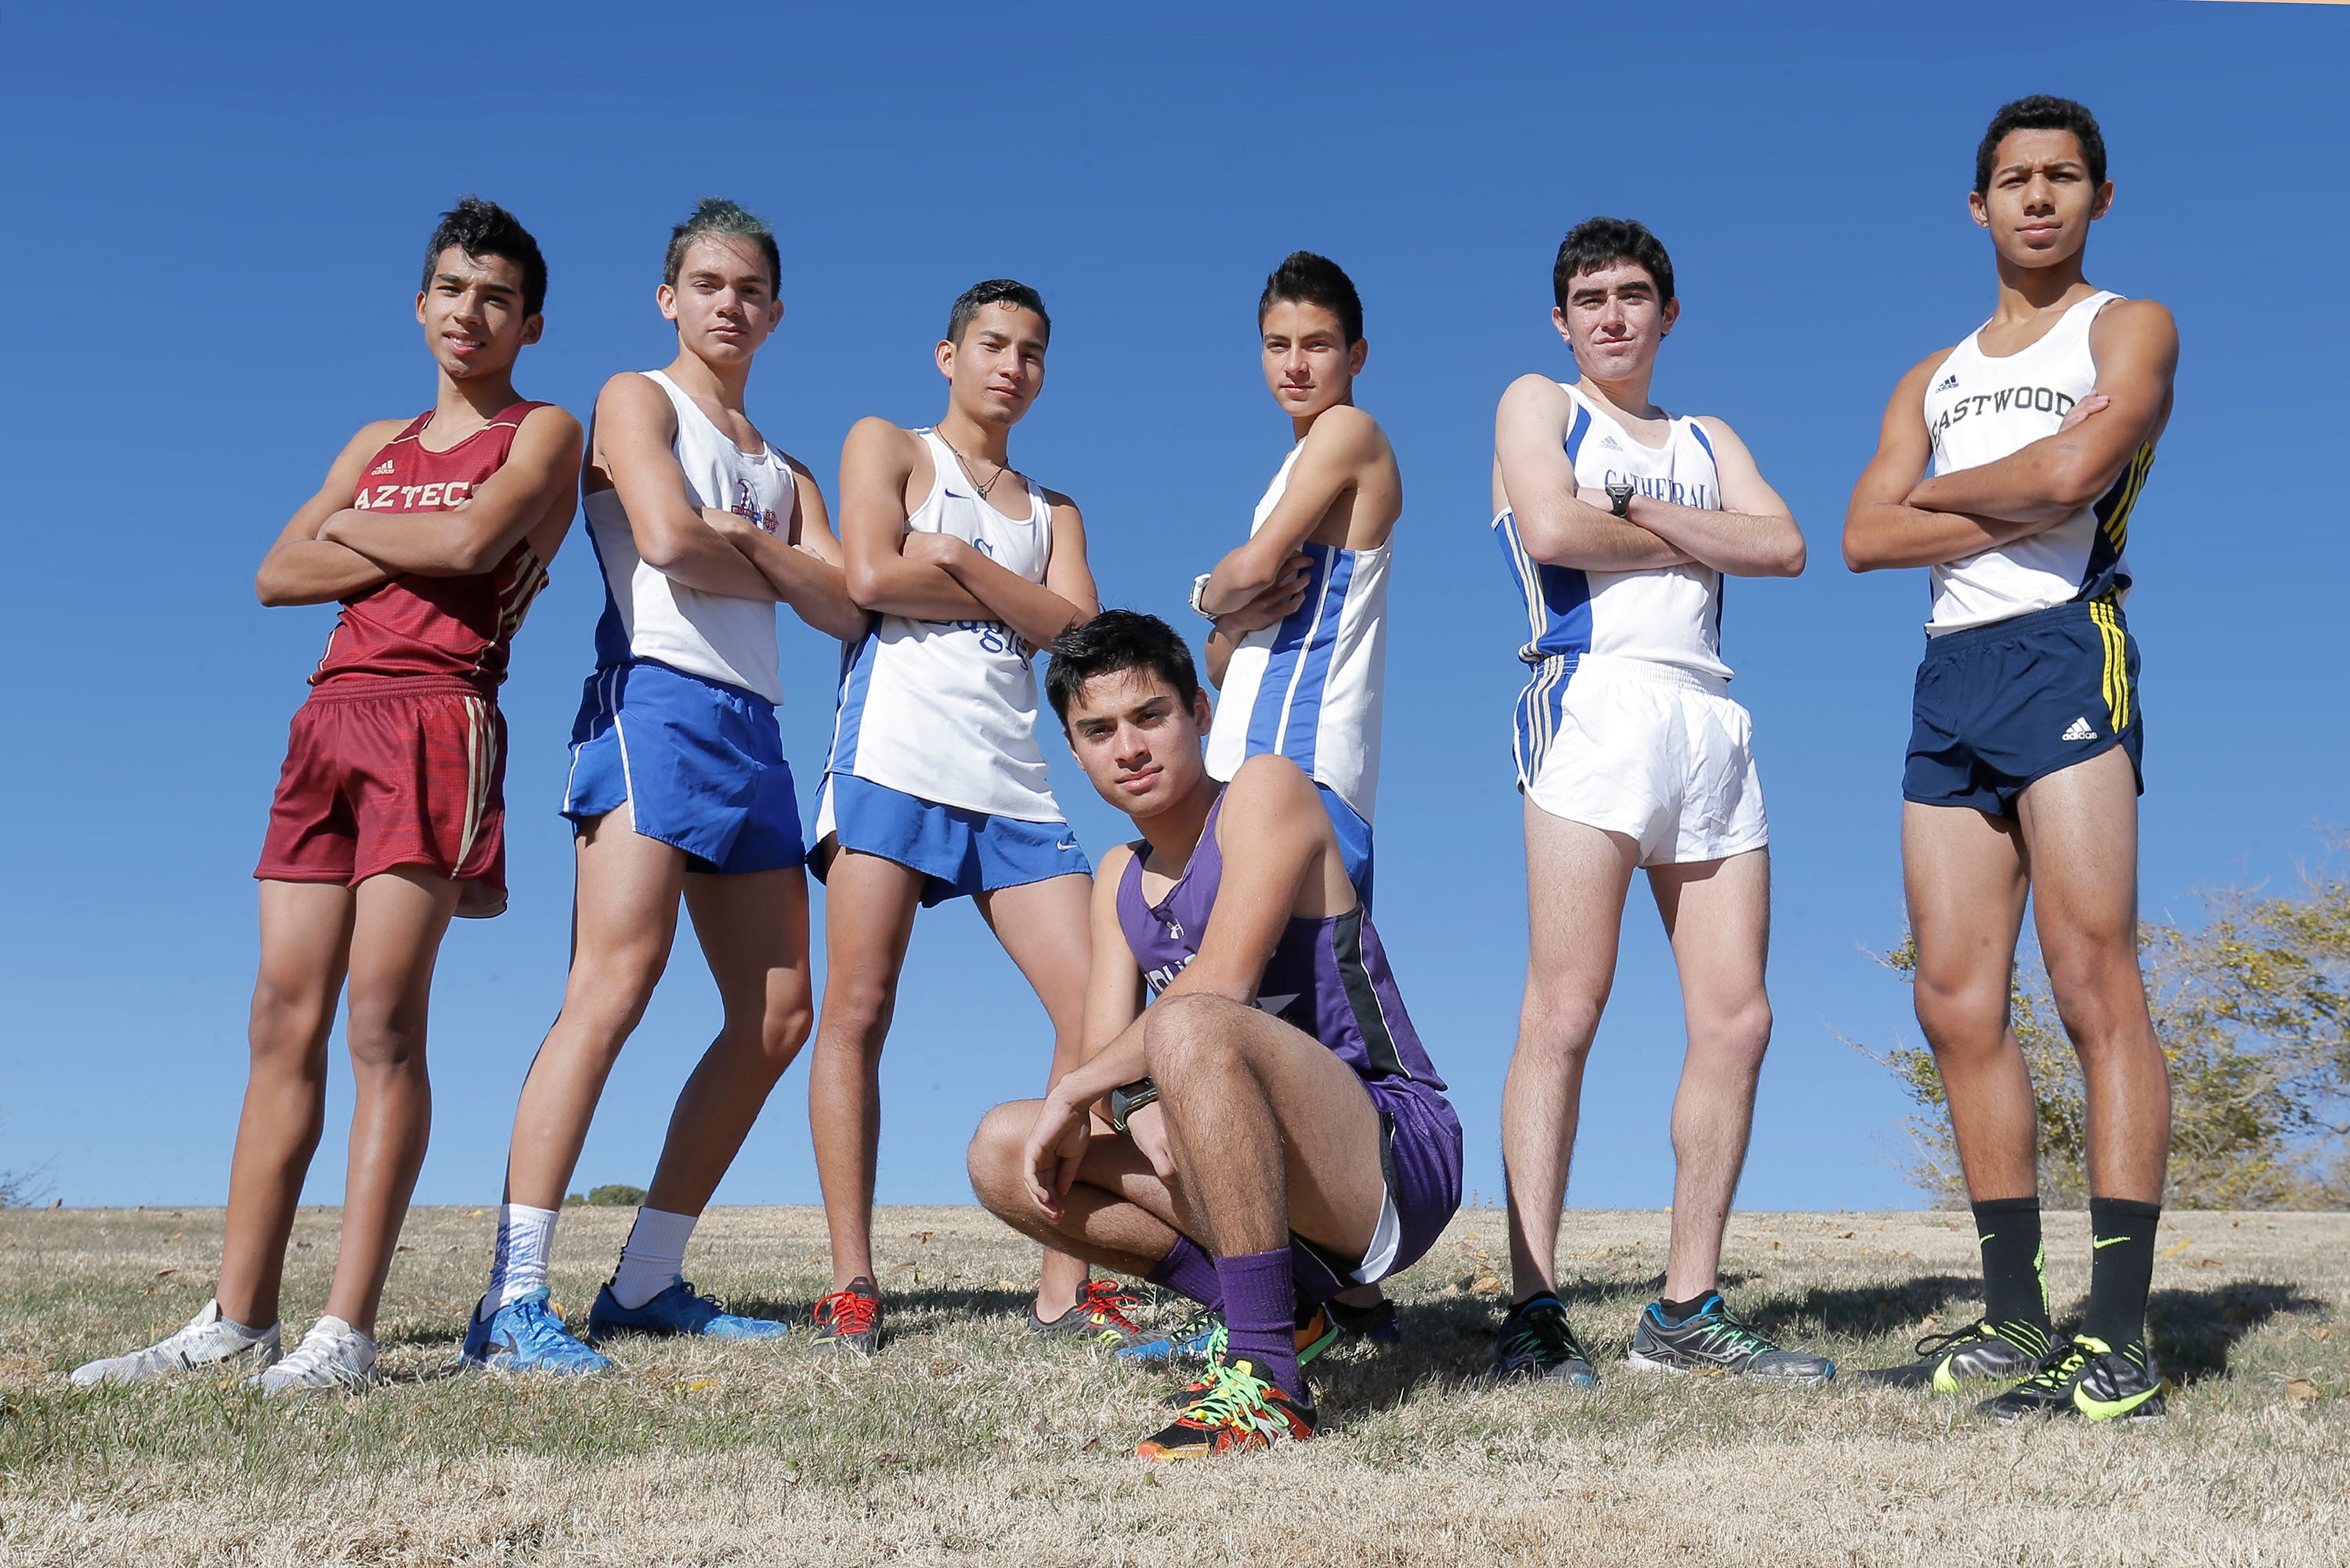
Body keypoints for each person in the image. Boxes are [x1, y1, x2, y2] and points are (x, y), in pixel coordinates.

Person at [73, 198, 580, 1394]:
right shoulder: (376, 439)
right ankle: (236, 1316)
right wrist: (397, 520)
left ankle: (344, 1331)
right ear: (421, 305)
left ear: (531, 321)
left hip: (436, 716)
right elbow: (273, 573)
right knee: (277, 1019)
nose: (471, 311)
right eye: (453, 289)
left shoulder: (544, 428)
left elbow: (472, 553)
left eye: (497, 297)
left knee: (380, 1022)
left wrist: (366, 531)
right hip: (325, 721)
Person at [462, 199, 863, 1374]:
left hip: (756, 732)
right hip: (654, 703)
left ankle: (643, 1283)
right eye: (705, 282)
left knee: (779, 1013)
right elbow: (669, 541)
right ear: (668, 297)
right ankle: (512, 1297)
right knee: (613, 985)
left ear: (775, 312)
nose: (727, 303)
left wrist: (751, 541)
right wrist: (766, 555)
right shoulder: (638, 398)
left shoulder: (783, 467)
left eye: (748, 289)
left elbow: (845, 605)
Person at [1844, 96, 2175, 1422]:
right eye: (2014, 181)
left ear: (2098, 196)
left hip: (2061, 647)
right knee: (1954, 998)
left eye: (2063, 177)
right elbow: (1864, 533)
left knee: (2092, 976)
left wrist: (1947, 491)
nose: (2039, 198)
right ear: (1976, 208)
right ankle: (2016, 1319)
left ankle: (2121, 1335)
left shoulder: (2128, 327)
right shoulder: (1932, 376)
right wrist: (2007, 483)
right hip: (1949, 677)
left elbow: (2086, 470)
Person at [967, 610, 1462, 1459]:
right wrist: (1122, 1095)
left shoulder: (1266, 792)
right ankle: (1284, 1310)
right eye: (1098, 730)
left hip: (1388, 1154)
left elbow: (1220, 984)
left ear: (1199, 712)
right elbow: (1107, 1064)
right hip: (1256, 1164)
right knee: (1003, 1150)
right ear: (1075, 752)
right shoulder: (1119, 877)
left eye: (1150, 715)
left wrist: (1097, 1089)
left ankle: (1267, 1380)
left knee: (1193, 1024)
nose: (1128, 747)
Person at [1488, 218, 1824, 1387]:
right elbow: (1551, 526)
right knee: (1567, 1009)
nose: (1614, 314)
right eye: (1591, 297)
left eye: (1635, 295)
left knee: (1740, 1020)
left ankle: (1686, 1310)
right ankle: (1533, 1305)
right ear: (1562, 317)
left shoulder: (1706, 432)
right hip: (1593, 701)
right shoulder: (1537, 402)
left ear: (1668, 313)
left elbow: (1782, 545)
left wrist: (1641, 515)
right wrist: (1698, 538)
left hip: (1710, 721)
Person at [806, 280, 1115, 1354]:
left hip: (1015, 784)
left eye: (1032, 351)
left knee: (1100, 1015)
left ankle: (1067, 1280)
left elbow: (1080, 634)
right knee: (860, 1006)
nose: (1011, 366)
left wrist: (961, 559)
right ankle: (854, 1281)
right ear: (948, 353)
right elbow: (869, 573)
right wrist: (1005, 600)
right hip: (892, 759)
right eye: (993, 344)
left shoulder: (1054, 510)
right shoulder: (887, 445)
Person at [1194, 251, 1399, 909]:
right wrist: (1232, 618)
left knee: (1301, 1002)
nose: (1296, 365)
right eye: (1277, 346)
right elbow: (1223, 662)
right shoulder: (1293, 466)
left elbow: (1251, 569)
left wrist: (1206, 595)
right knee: (1250, 1006)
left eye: (1318, 344)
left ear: (1356, 355)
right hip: (1241, 759)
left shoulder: (1348, 430)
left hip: (1300, 756)